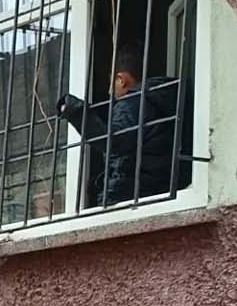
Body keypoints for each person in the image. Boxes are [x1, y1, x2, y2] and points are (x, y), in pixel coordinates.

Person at [60, 46, 186, 207]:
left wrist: (74, 111)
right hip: (160, 188)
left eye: (111, 83)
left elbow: (114, 140)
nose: (109, 92)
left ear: (121, 79)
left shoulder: (132, 101)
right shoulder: (162, 98)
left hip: (133, 194)